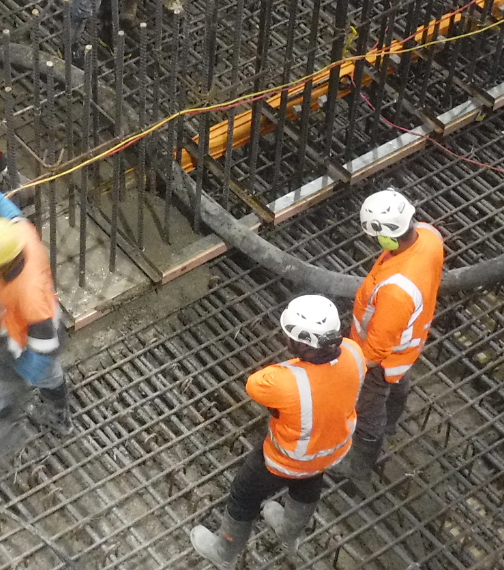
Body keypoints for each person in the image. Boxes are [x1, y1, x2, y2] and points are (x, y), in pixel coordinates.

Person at [190, 296, 365, 568]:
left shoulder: (284, 381)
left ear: (301, 343)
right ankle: (288, 537)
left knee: (243, 495)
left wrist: (294, 369)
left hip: (283, 461)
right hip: (329, 452)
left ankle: (224, 554)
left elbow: (255, 384)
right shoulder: (354, 351)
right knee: (307, 485)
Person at [0, 165, 69, 460]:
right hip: (19, 328)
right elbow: (13, 216)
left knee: (47, 377)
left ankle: (58, 418)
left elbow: (47, 346)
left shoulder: (29, 293)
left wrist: (22, 378)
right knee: (43, 375)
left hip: (35, 342)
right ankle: (49, 408)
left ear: (1, 264)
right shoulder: (21, 237)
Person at [337, 189, 444, 481]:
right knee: (399, 383)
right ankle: (392, 425)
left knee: (368, 408)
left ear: (385, 234)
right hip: (409, 344)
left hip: (384, 358)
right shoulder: (429, 235)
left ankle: (359, 466)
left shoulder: (397, 291)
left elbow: (377, 348)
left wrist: (354, 365)